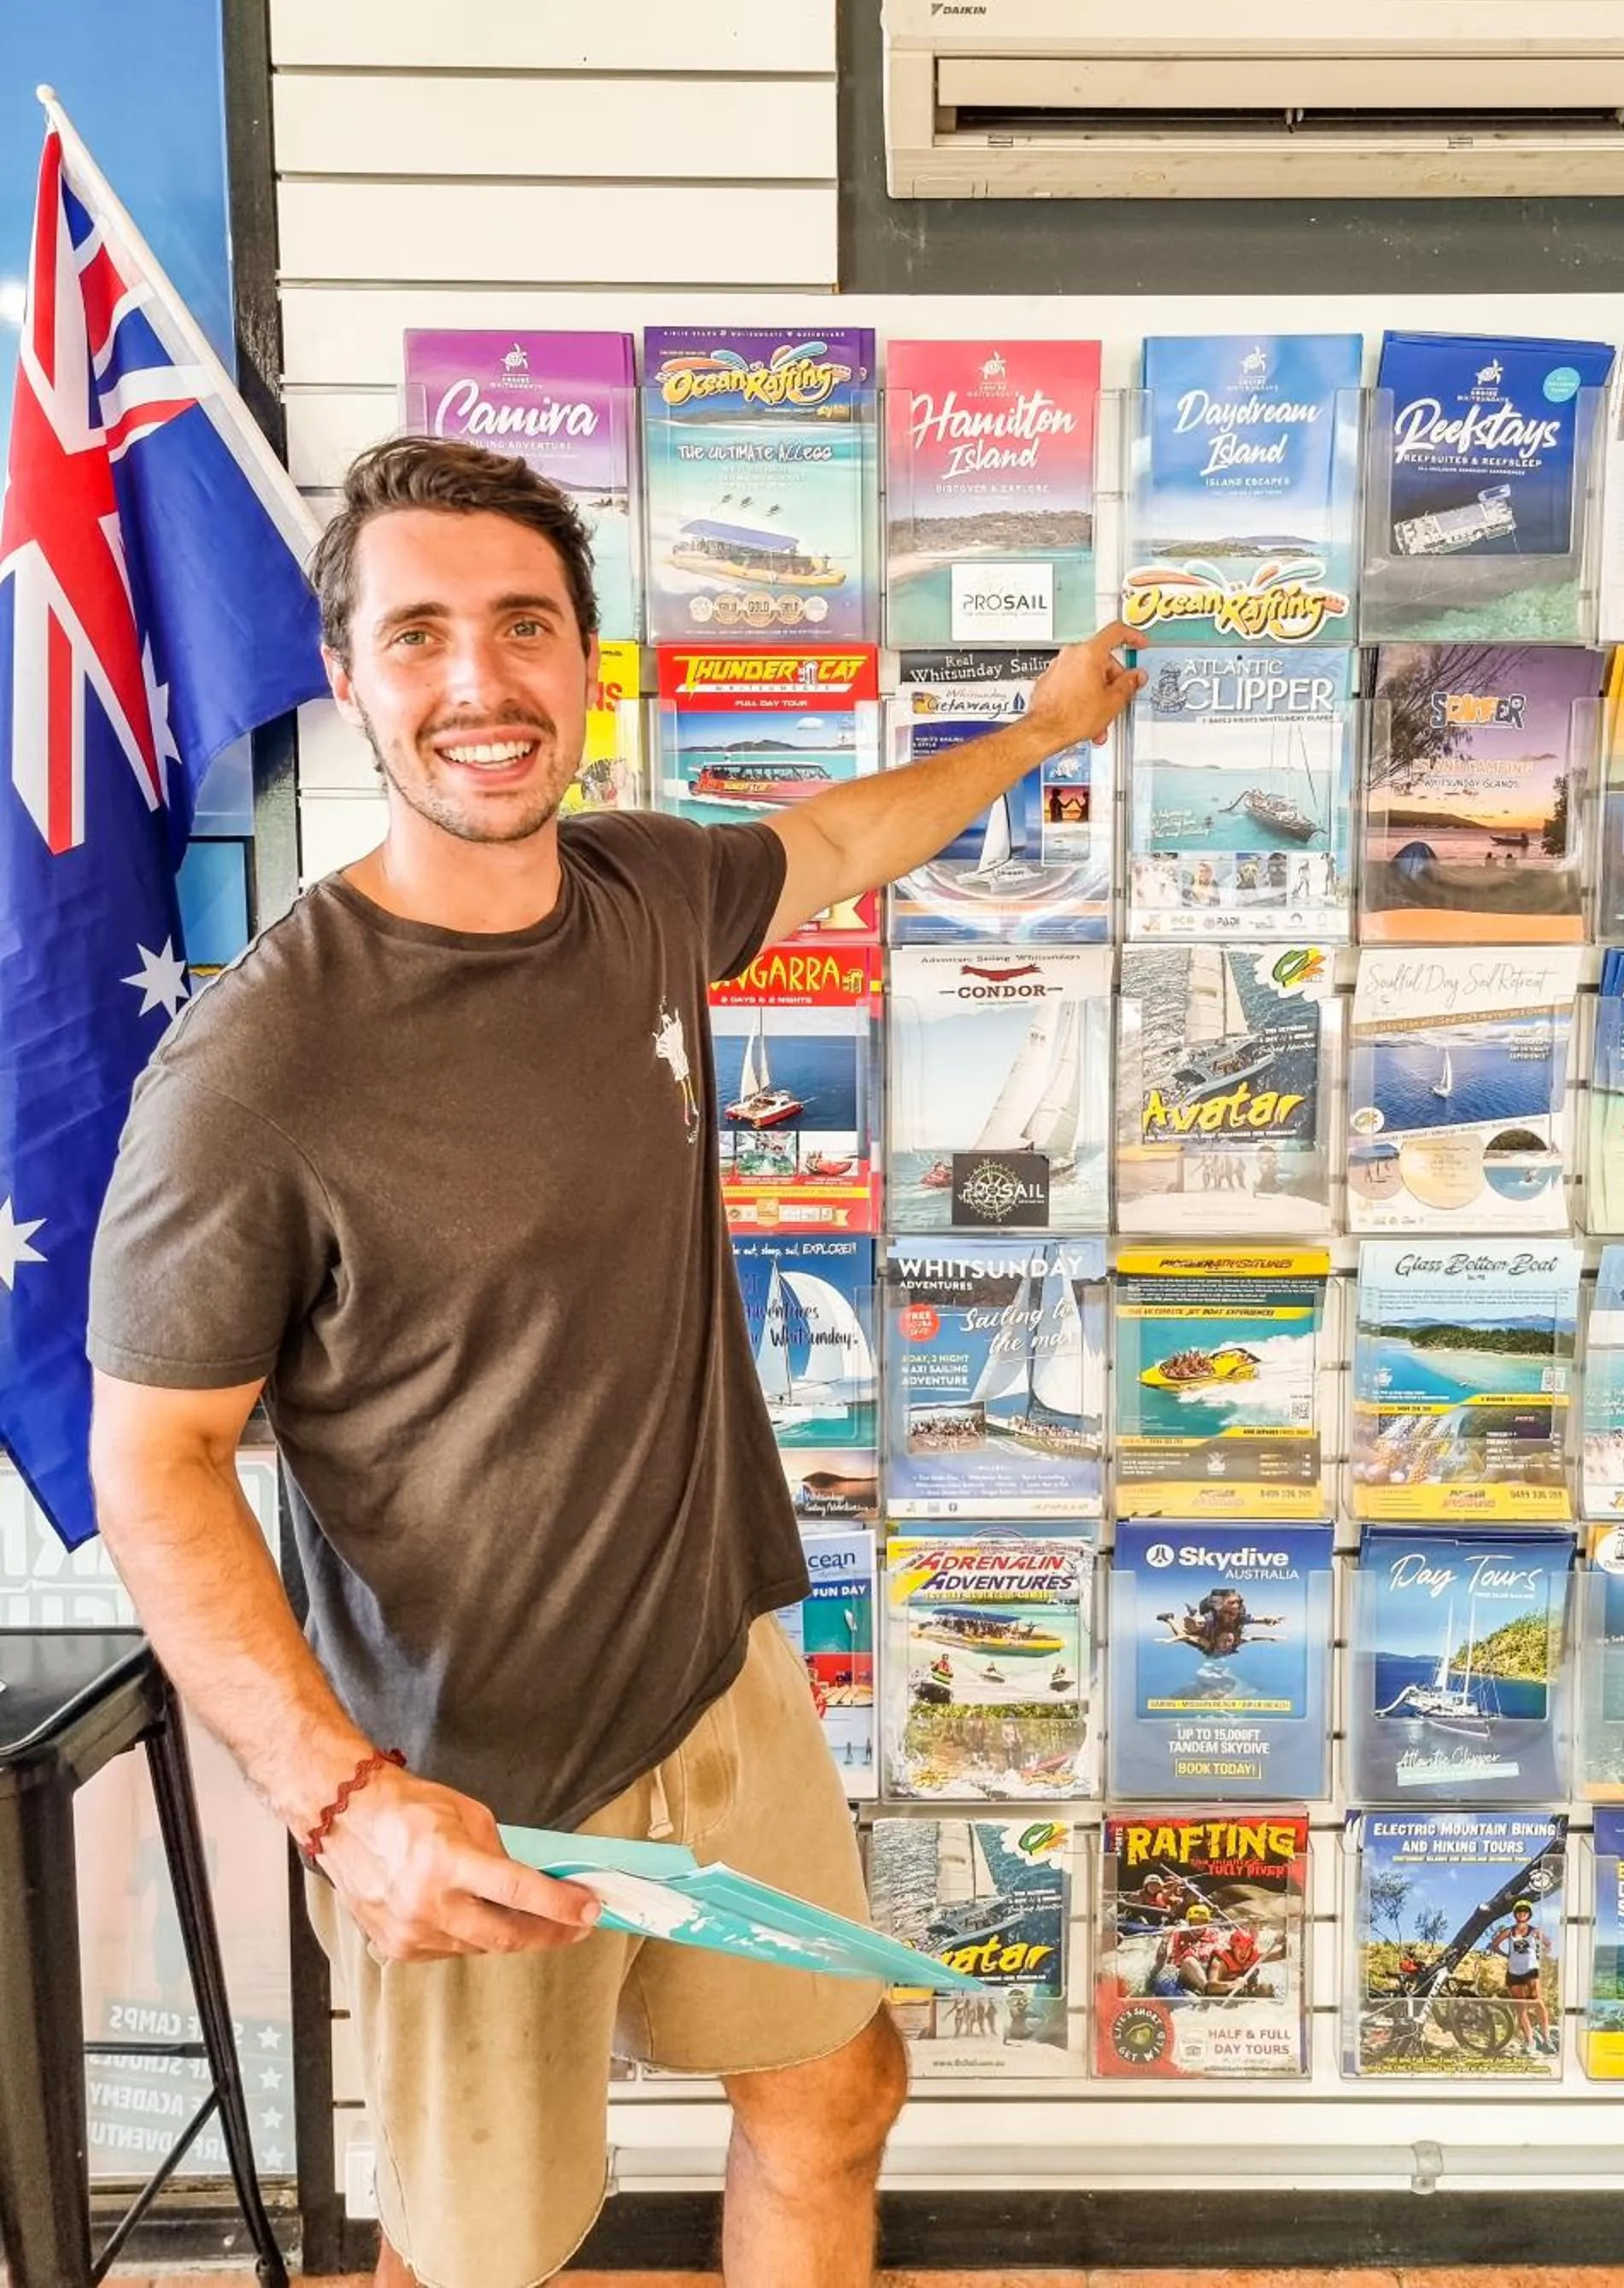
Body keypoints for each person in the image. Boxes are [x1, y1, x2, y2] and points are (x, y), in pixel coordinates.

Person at [85, 435, 1146, 2288]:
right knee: (478, 2256)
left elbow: (839, 840)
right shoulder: (257, 1070)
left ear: (588, 659)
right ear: (347, 677)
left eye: (523, 627)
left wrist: (1042, 733)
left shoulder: (640, 892)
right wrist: (344, 1804)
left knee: (837, 2094)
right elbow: (153, 1465)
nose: (479, 682)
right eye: (418, 635)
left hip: (719, 1678)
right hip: (467, 1767)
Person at [1489, 1902, 1555, 2056]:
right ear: (1515, 1914)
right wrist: (1507, 1955)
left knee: (1537, 2002)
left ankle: (1547, 2039)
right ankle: (1530, 2042)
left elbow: (1548, 1943)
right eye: (1519, 1911)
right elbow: (1494, 1945)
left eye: (1525, 1911)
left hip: (1530, 1970)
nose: (1522, 1913)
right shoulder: (1509, 1931)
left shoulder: (1534, 1931)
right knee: (1520, 2007)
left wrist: (1539, 1955)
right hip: (1513, 1972)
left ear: (1529, 1914)